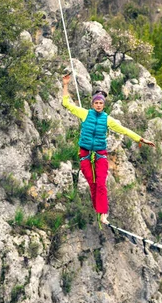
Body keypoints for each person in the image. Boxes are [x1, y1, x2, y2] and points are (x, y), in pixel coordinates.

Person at [62, 73, 155, 226]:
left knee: (100, 183)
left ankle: (103, 213)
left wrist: (140, 139)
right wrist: (65, 84)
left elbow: (124, 130)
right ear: (93, 104)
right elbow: (67, 104)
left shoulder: (108, 119)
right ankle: (98, 210)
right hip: (85, 154)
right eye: (96, 103)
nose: (98, 105)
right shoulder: (84, 114)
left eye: (101, 103)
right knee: (92, 184)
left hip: (100, 154)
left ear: (103, 105)